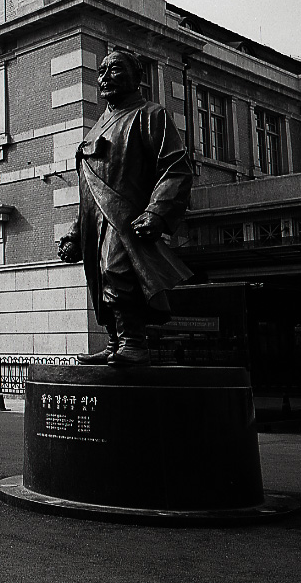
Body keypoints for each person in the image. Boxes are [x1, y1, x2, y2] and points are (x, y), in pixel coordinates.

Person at [57, 48, 193, 366]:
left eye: (115, 69)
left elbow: (175, 168)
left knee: (117, 271)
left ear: (136, 78)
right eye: (102, 71)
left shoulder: (151, 115)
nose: (106, 77)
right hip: (96, 220)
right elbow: (87, 192)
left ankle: (134, 341)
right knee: (100, 277)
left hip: (126, 218)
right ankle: (115, 341)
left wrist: (157, 211)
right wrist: (75, 234)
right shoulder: (96, 128)